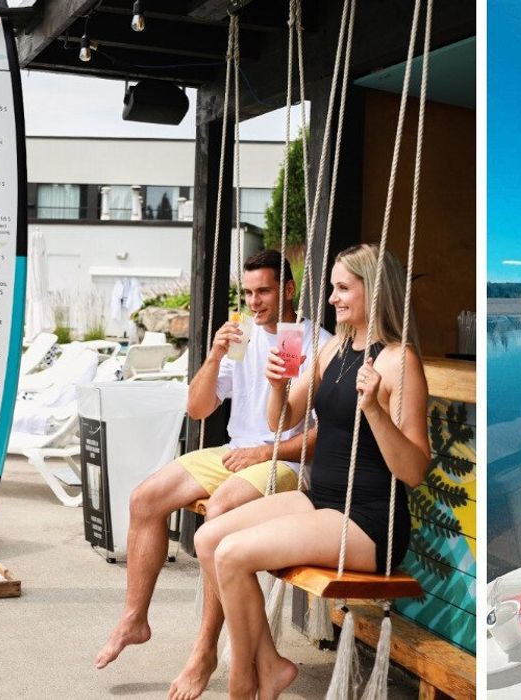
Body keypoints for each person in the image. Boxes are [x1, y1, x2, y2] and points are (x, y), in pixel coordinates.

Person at [193, 244, 430, 699]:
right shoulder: (331, 349)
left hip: (366, 519)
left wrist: (376, 412)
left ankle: (243, 681)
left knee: (231, 554)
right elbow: (278, 420)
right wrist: (277, 384)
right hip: (320, 498)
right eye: (333, 289)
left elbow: (414, 470)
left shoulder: (400, 362)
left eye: (344, 288)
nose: (333, 299)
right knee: (208, 540)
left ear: (375, 290)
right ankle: (270, 664)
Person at [94, 249, 332, 700]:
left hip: (285, 461)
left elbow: (324, 433)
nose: (255, 301)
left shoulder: (303, 339)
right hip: (235, 450)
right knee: (145, 497)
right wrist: (215, 354)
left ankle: (203, 653)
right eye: (247, 292)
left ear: (288, 289)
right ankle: (135, 618)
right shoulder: (241, 334)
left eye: (264, 291)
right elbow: (198, 408)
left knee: (218, 513)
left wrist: (266, 449)